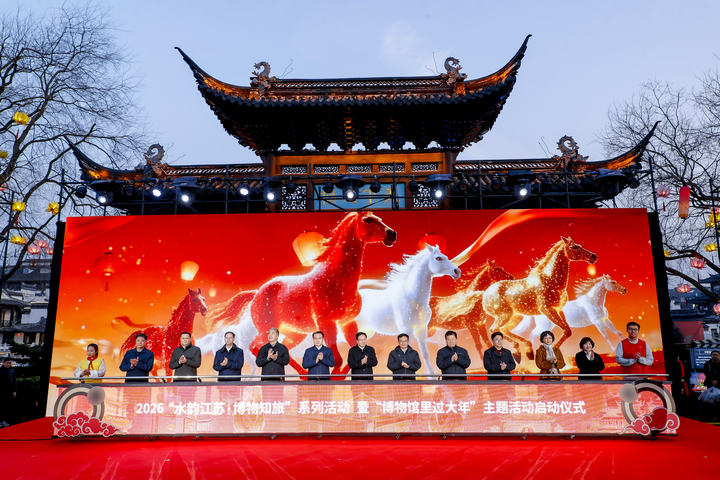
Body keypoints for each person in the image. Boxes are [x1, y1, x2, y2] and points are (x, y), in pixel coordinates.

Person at [0, 358, 17, 428]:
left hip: (10, 392)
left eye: (10, 363)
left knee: (8, 407)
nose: (8, 364)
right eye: (7, 363)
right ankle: (2, 421)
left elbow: (14, 381)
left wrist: (14, 390)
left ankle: (6, 421)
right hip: (2, 392)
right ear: (3, 363)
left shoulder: (12, 371)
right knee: (2, 407)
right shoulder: (0, 371)